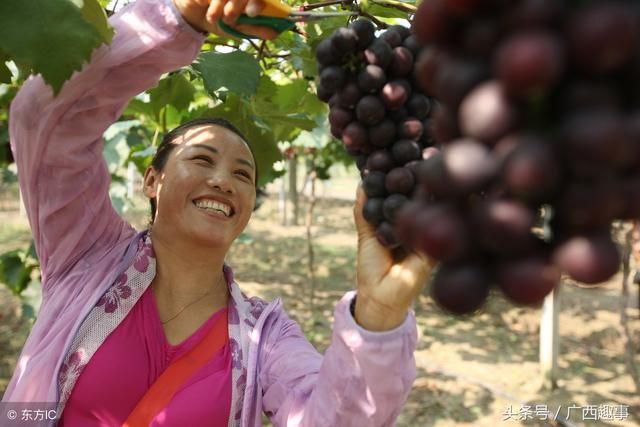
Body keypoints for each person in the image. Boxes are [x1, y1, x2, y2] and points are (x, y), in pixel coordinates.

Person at [1, 0, 432, 425]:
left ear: (247, 209)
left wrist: (376, 317)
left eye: (243, 175)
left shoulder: (265, 338)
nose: (223, 182)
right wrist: (173, 22)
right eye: (202, 160)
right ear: (152, 181)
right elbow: (47, 119)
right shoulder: (86, 254)